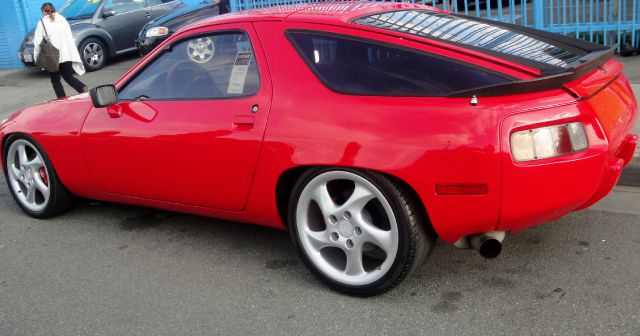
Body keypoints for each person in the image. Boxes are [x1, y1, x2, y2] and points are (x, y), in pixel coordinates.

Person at [34, 3, 88, 99]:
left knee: (55, 80)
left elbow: (37, 43)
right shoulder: (63, 20)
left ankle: (62, 99)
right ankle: (82, 88)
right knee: (68, 76)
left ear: (43, 11)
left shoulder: (42, 23)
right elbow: (69, 37)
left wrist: (36, 57)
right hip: (66, 54)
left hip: (53, 56)